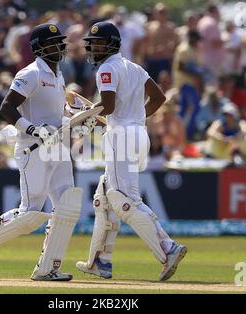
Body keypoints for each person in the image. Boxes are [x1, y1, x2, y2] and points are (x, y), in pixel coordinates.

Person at [0, 23, 86, 281]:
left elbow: (54, 113)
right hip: (34, 148)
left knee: (67, 206)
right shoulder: (31, 73)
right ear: (40, 48)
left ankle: (48, 268)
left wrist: (77, 117)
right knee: (31, 213)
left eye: (60, 43)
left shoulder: (58, 75)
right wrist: (32, 129)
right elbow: (6, 108)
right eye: (53, 43)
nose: (59, 47)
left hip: (58, 147)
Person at [75, 22, 187, 281]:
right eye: (93, 44)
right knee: (104, 197)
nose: (94, 48)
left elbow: (109, 106)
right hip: (138, 133)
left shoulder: (106, 68)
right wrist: (135, 117)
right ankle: (100, 260)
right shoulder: (136, 68)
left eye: (99, 43)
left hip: (121, 136)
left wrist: (84, 115)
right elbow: (159, 98)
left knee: (123, 198)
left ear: (112, 44)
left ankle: (167, 248)